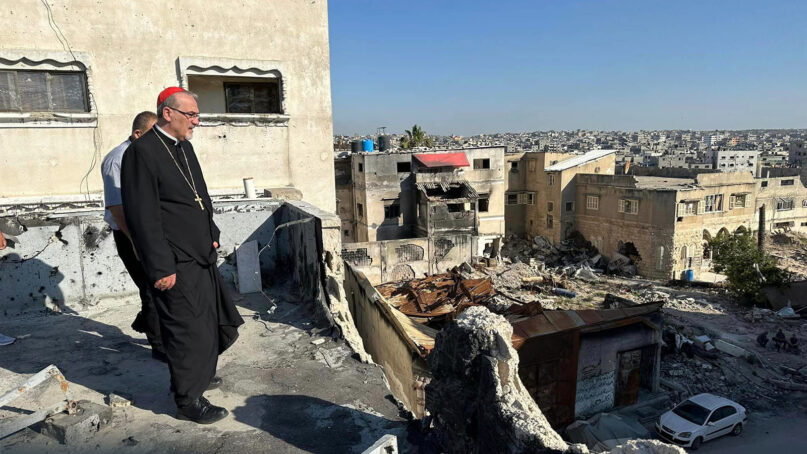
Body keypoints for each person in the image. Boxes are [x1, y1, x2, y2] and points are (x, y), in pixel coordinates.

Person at [120, 87, 243, 425]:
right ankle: (187, 399)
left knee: (206, 323)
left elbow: (199, 196)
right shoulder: (141, 153)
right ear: (167, 113)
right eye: (190, 115)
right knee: (186, 329)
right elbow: (142, 216)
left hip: (199, 254)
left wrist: (212, 234)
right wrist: (160, 266)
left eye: (197, 115)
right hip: (173, 262)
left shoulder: (183, 147)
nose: (196, 121)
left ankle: (197, 378)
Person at [101, 111, 166, 362]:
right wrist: (135, 240)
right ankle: (160, 346)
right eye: (153, 134)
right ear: (137, 134)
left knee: (158, 286)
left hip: (150, 232)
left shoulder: (145, 155)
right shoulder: (118, 159)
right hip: (130, 235)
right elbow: (117, 208)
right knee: (152, 288)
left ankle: (146, 322)